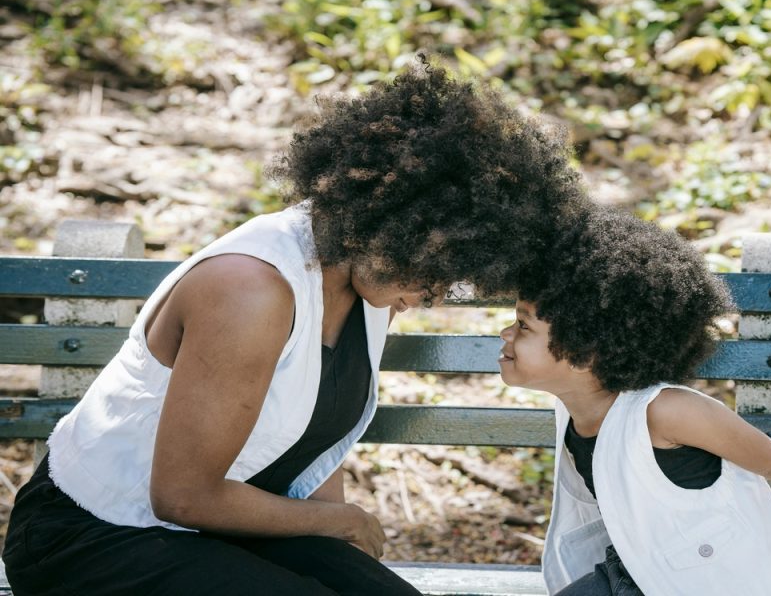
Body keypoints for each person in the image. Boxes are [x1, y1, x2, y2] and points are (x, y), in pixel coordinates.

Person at [2, 59, 588, 595]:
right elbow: (182, 495)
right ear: (393, 222)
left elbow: (315, 434)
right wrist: (339, 521)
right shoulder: (249, 289)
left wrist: (335, 545)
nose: (431, 295)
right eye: (435, 273)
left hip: (222, 530)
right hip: (96, 535)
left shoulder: (368, 276)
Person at [497, 208, 771, 596]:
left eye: (523, 325)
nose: (505, 334)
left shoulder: (665, 412)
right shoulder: (571, 408)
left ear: (585, 353)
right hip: (640, 576)